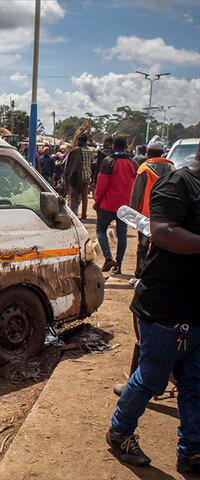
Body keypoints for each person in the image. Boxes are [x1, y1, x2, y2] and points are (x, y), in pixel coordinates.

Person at [106, 144, 200, 475]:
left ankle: (191, 450)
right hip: (165, 307)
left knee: (194, 382)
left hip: (194, 309)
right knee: (150, 379)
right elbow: (162, 232)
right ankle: (120, 432)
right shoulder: (178, 184)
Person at [129, 141, 175, 283]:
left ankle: (139, 275)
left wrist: (133, 215)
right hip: (166, 215)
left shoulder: (144, 169)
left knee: (143, 245)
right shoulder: (172, 169)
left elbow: (137, 194)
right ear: (162, 153)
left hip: (146, 214)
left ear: (148, 153)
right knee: (161, 246)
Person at [94, 135, 136, 273]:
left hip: (108, 204)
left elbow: (101, 184)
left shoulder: (108, 161)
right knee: (122, 234)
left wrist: (97, 201)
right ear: (126, 146)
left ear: (113, 146)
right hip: (125, 206)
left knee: (101, 230)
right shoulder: (133, 163)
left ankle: (108, 257)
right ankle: (119, 265)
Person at [64, 133, 93, 219]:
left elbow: (70, 164)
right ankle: (84, 215)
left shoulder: (76, 151)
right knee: (84, 197)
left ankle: (72, 215)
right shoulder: (90, 151)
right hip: (87, 176)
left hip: (77, 177)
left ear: (82, 141)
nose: (76, 142)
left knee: (73, 197)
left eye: (78, 140)